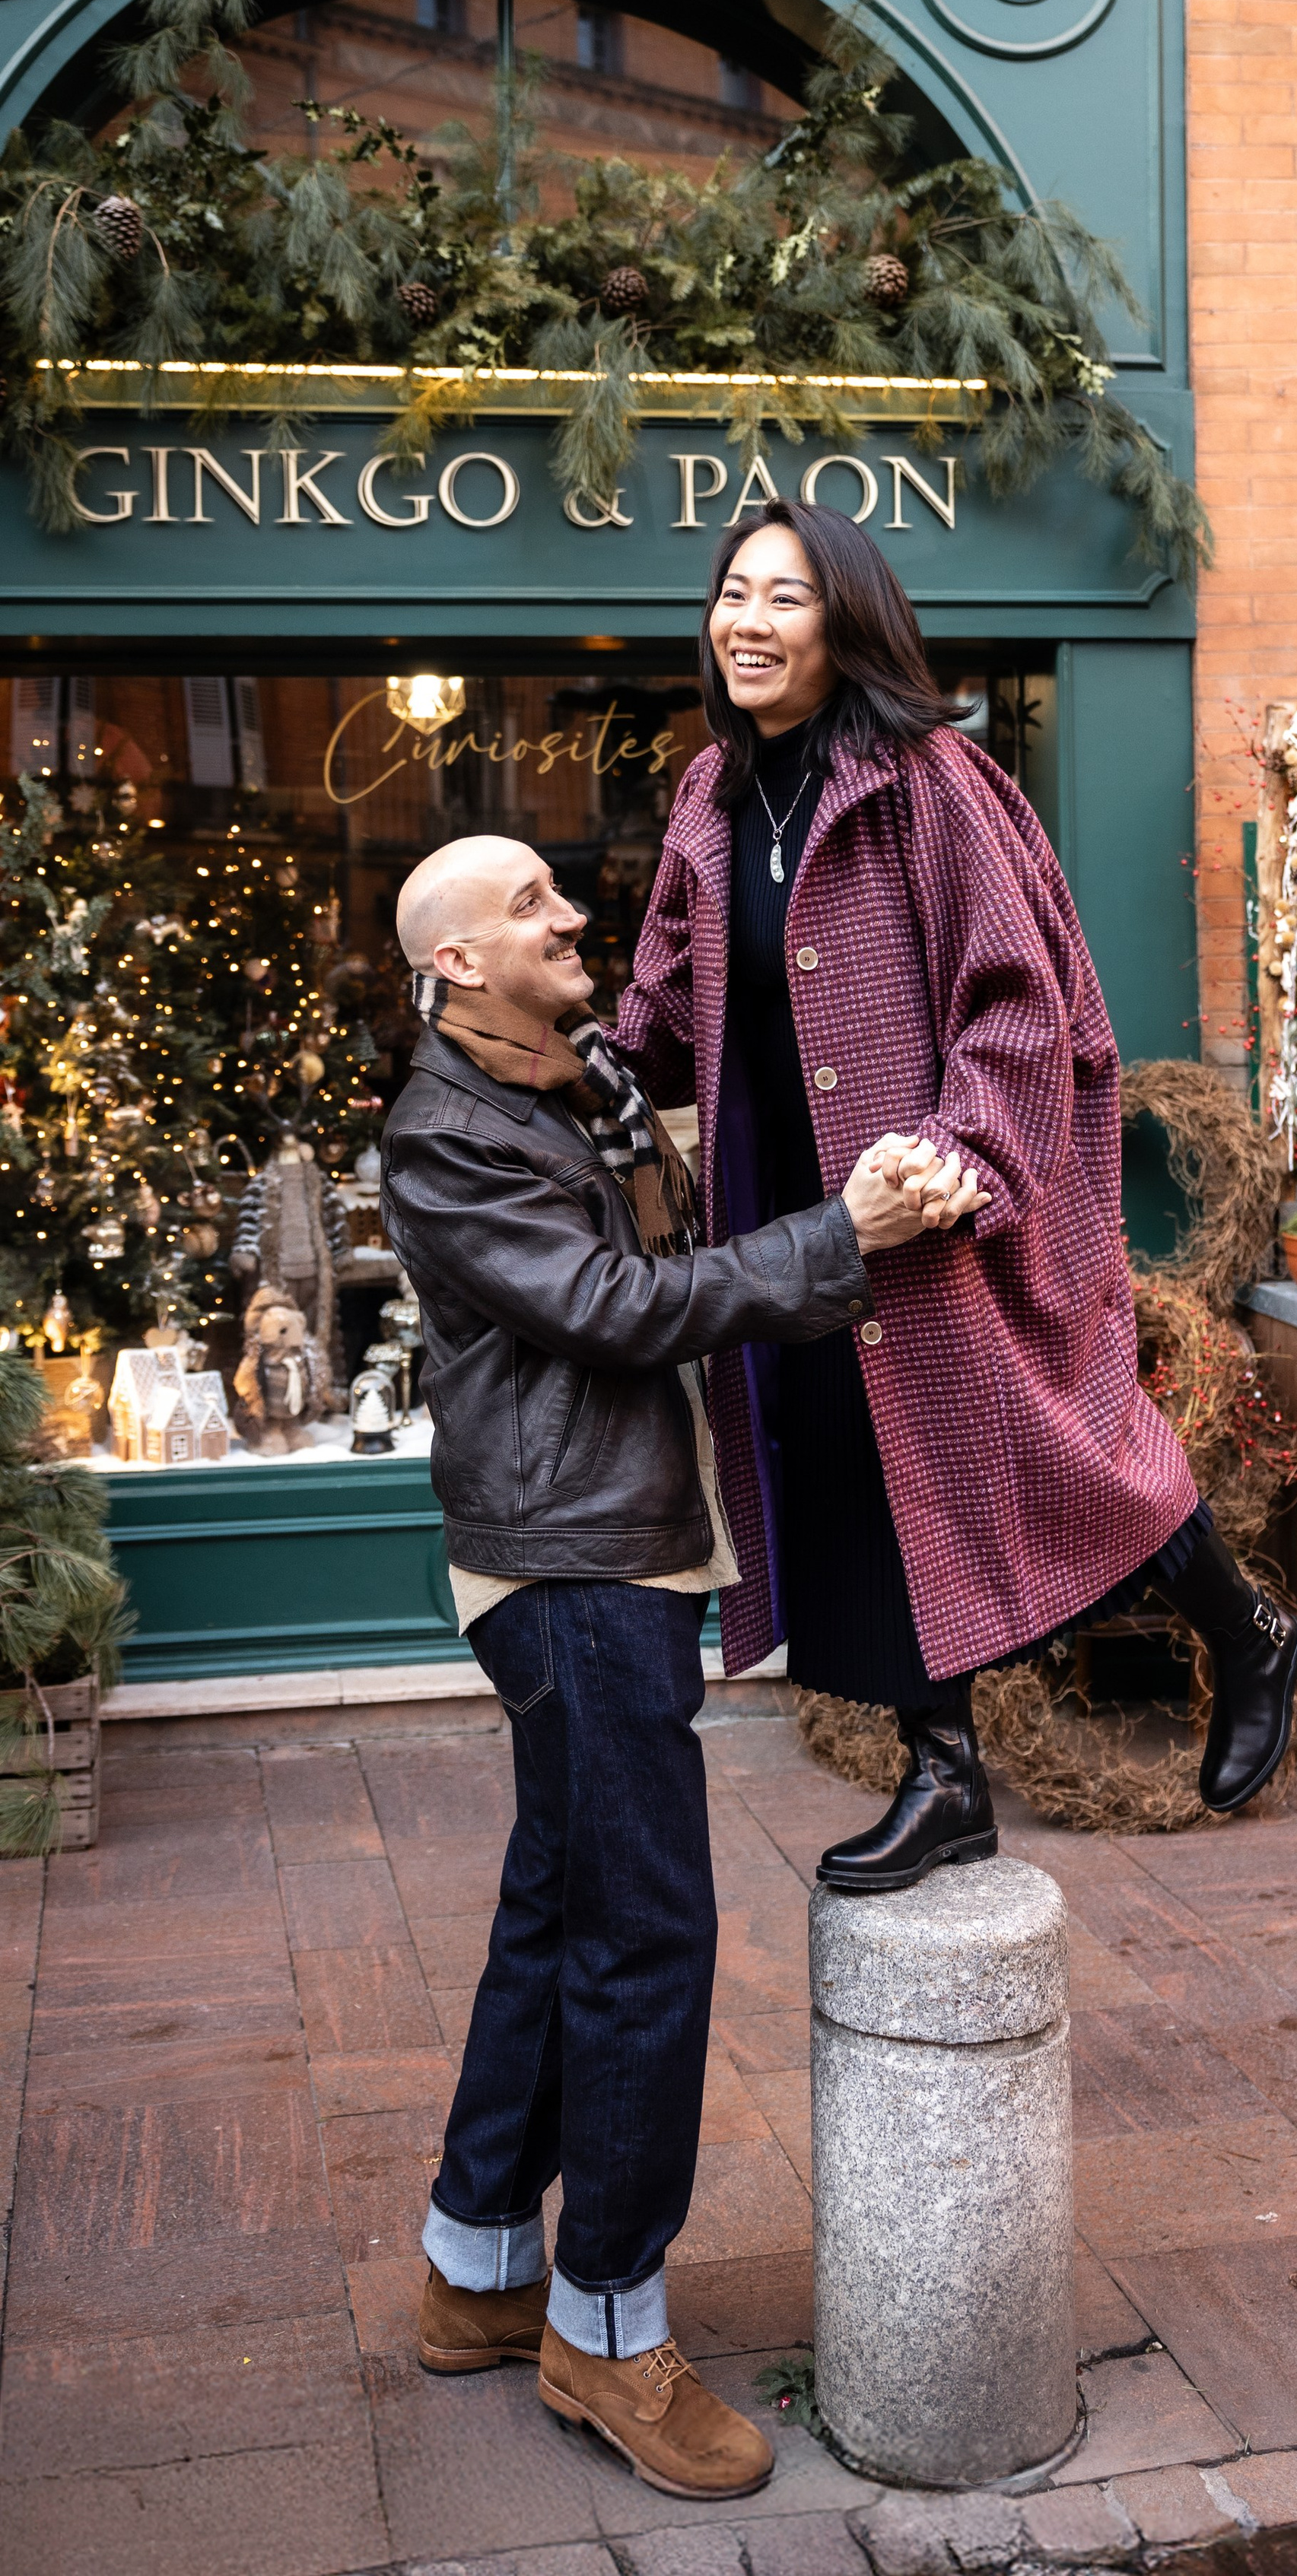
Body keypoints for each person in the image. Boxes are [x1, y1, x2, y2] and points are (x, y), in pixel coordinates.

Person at [380, 831, 983, 2498]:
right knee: (644, 1937)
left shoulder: (565, 1078)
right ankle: (607, 2332)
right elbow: (621, 1305)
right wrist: (842, 1233)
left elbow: (673, 1109)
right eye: (527, 908)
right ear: (453, 968)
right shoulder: (445, 1137)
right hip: (571, 1568)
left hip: (609, 1544)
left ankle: (477, 2272)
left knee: (559, 1909)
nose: (566, 914)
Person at [619, 499, 1297, 1895]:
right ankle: (945, 1777)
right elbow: (670, 993)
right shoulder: (710, 794)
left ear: (846, 624)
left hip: (929, 1197)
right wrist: (572, 1065)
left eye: (785, 600)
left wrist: (967, 1153)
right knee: (848, 1477)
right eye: (732, 594)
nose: (746, 623)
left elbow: (1020, 996)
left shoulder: (926, 777)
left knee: (1052, 1449)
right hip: (795, 1215)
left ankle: (1245, 1630)